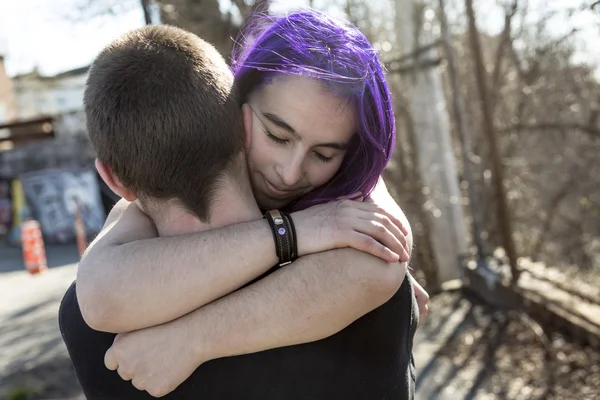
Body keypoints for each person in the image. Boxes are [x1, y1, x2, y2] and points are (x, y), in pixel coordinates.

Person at [60, 11, 423, 400]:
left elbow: (382, 259)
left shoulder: (354, 207)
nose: (289, 173)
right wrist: (295, 232)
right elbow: (99, 292)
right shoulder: (148, 213)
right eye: (277, 135)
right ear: (236, 112)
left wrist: (191, 340)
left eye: (324, 154)